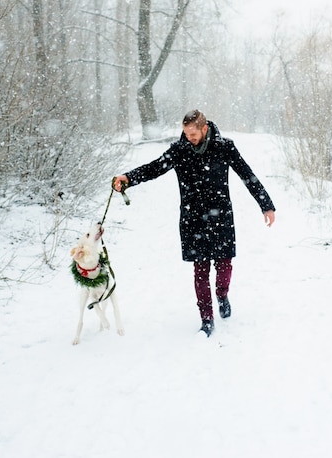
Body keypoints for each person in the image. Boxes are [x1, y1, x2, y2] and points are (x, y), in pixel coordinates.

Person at [113, 110, 275, 337]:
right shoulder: (180, 151)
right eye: (186, 133)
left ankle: (222, 294)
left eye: (192, 133)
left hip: (221, 218)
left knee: (224, 266)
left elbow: (247, 174)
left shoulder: (224, 148)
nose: (189, 137)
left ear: (204, 128)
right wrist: (128, 178)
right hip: (192, 220)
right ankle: (207, 319)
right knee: (200, 271)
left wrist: (266, 205)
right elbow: (154, 168)